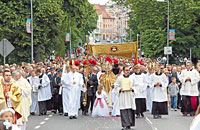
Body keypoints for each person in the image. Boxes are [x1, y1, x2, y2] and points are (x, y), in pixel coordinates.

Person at [115, 65, 137, 130]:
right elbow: (116, 86)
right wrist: (119, 89)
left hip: (130, 95)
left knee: (130, 109)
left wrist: (132, 89)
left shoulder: (132, 78)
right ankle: (124, 124)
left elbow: (137, 86)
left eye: (128, 70)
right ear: (123, 71)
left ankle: (129, 124)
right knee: (123, 110)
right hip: (123, 95)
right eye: (126, 70)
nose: (127, 71)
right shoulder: (120, 78)